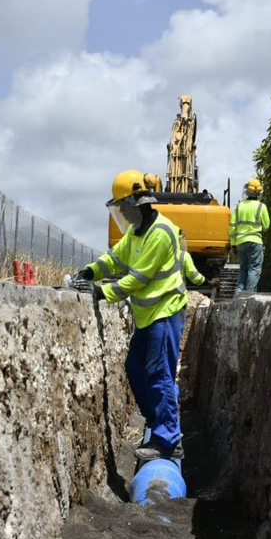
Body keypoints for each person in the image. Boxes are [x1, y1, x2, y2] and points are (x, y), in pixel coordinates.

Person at [76, 170, 187, 461]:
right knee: (136, 369)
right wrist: (90, 271)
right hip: (148, 315)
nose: (122, 213)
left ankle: (168, 441)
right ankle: (156, 424)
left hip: (165, 311)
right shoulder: (135, 233)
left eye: (123, 207)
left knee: (159, 376)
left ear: (137, 203)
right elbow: (113, 259)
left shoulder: (160, 233)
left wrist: (101, 292)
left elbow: (138, 279)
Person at [229, 177, 270, 292]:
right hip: (255, 242)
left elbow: (232, 228)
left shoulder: (238, 207)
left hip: (240, 243)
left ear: (246, 190)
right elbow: (266, 226)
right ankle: (249, 296)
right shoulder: (261, 207)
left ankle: (238, 295)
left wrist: (233, 245)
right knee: (254, 269)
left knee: (243, 269)